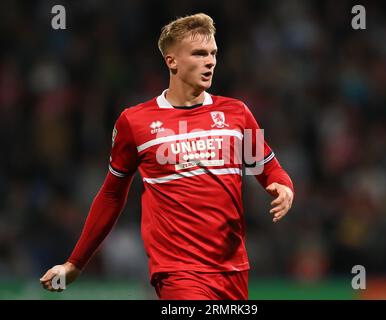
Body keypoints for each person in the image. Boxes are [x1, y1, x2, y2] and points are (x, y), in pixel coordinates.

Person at [40, 13, 294, 300]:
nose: (210, 61)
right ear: (171, 61)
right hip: (178, 272)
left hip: (233, 271)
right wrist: (75, 263)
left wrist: (284, 186)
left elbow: (270, 167)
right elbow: (112, 195)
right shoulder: (135, 122)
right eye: (199, 53)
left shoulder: (237, 113)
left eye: (213, 53)